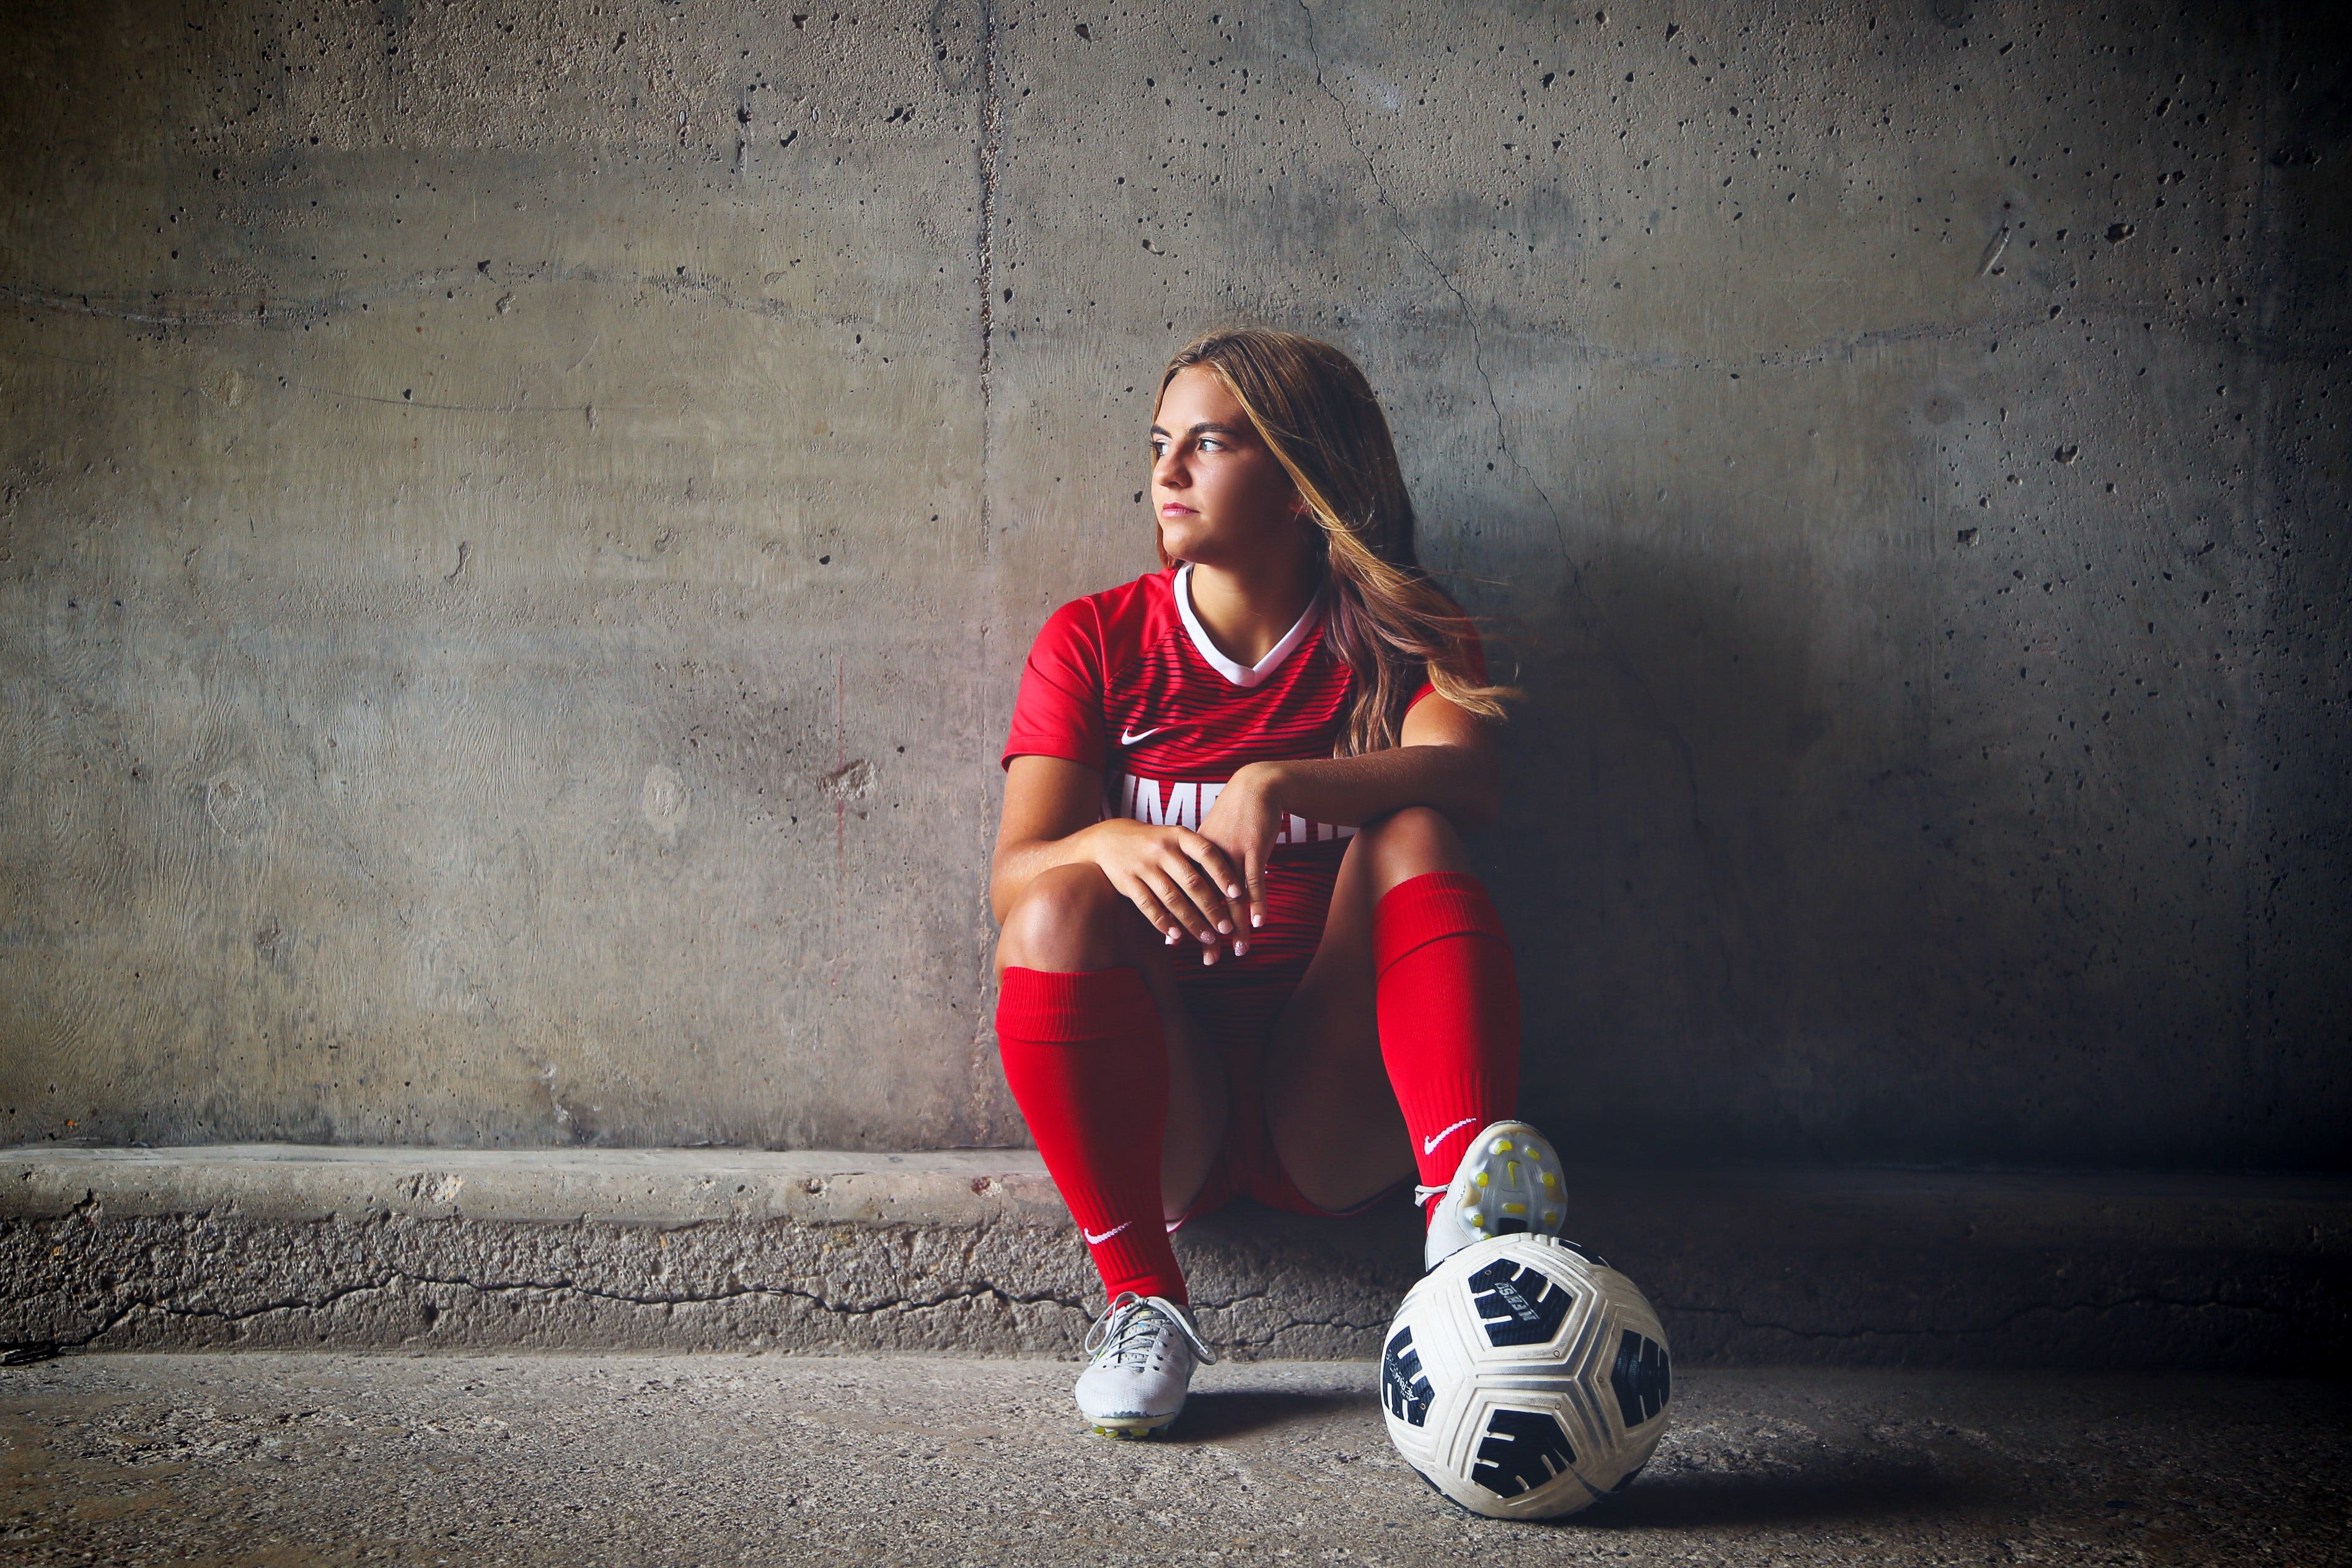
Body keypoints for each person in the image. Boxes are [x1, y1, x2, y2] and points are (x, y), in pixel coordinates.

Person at [989, 328, 1565, 1437]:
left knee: (1414, 827)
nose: (1166, 472)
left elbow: (1470, 775)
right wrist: (1107, 842)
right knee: (1056, 903)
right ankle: (1141, 1299)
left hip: (1339, 1098)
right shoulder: (1095, 639)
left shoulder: (1405, 628)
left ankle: (1466, 1231)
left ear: (1303, 482)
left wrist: (1279, 780)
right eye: (1162, 443)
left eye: (1208, 443)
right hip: (1171, 1115)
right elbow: (1012, 878)